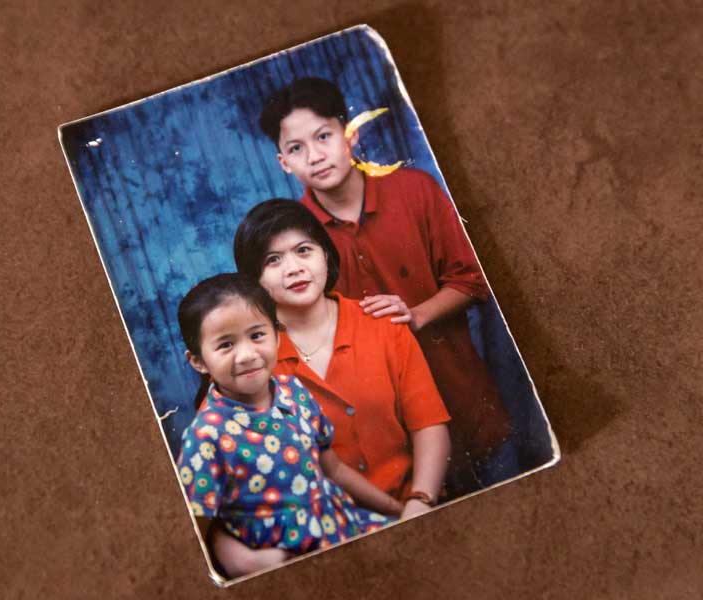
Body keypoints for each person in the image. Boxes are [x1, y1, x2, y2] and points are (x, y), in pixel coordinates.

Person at [258, 77, 516, 493]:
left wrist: (417, 315)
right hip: (386, 446)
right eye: (296, 148)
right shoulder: (291, 236)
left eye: (324, 136)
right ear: (284, 163)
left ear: (350, 135)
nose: (315, 156)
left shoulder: (416, 190)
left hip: (466, 396)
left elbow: (473, 278)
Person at [176, 273, 400, 578]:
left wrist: (397, 511)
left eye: (257, 335)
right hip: (288, 566)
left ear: (277, 336)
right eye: (226, 345)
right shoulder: (206, 437)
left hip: (343, 528)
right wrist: (244, 563)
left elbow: (332, 469)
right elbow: (195, 532)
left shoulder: (293, 391)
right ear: (199, 362)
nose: (247, 355)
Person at [234, 199, 451, 511]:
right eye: (273, 260)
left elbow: (429, 423)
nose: (294, 268)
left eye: (304, 250)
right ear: (255, 280)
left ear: (325, 254)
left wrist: (421, 500)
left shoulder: (382, 325)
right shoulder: (251, 359)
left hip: (413, 503)